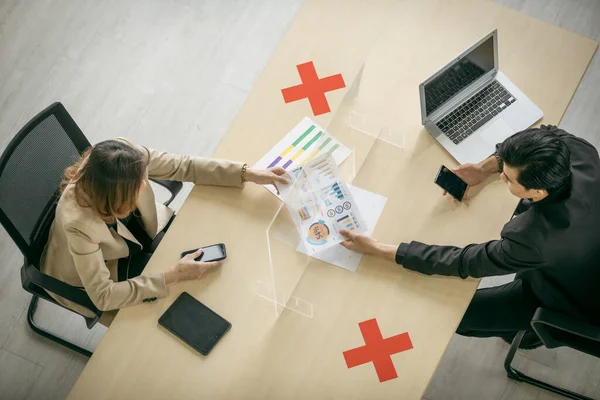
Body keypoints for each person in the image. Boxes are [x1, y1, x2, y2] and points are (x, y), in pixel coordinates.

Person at [340, 125, 600, 348]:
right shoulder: (581, 154)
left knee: (459, 316)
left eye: (508, 179)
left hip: (575, 297)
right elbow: (546, 132)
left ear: (538, 192)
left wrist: (379, 249)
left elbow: (463, 262)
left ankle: (527, 337)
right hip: (586, 243)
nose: (501, 177)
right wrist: (484, 168)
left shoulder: (533, 239)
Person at [41, 138, 288, 326]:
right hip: (103, 268)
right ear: (114, 201)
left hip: (133, 234)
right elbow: (103, 296)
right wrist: (172, 275)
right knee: (175, 310)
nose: (146, 184)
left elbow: (183, 166)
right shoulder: (78, 223)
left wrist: (246, 173)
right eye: (137, 187)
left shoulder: (126, 156)